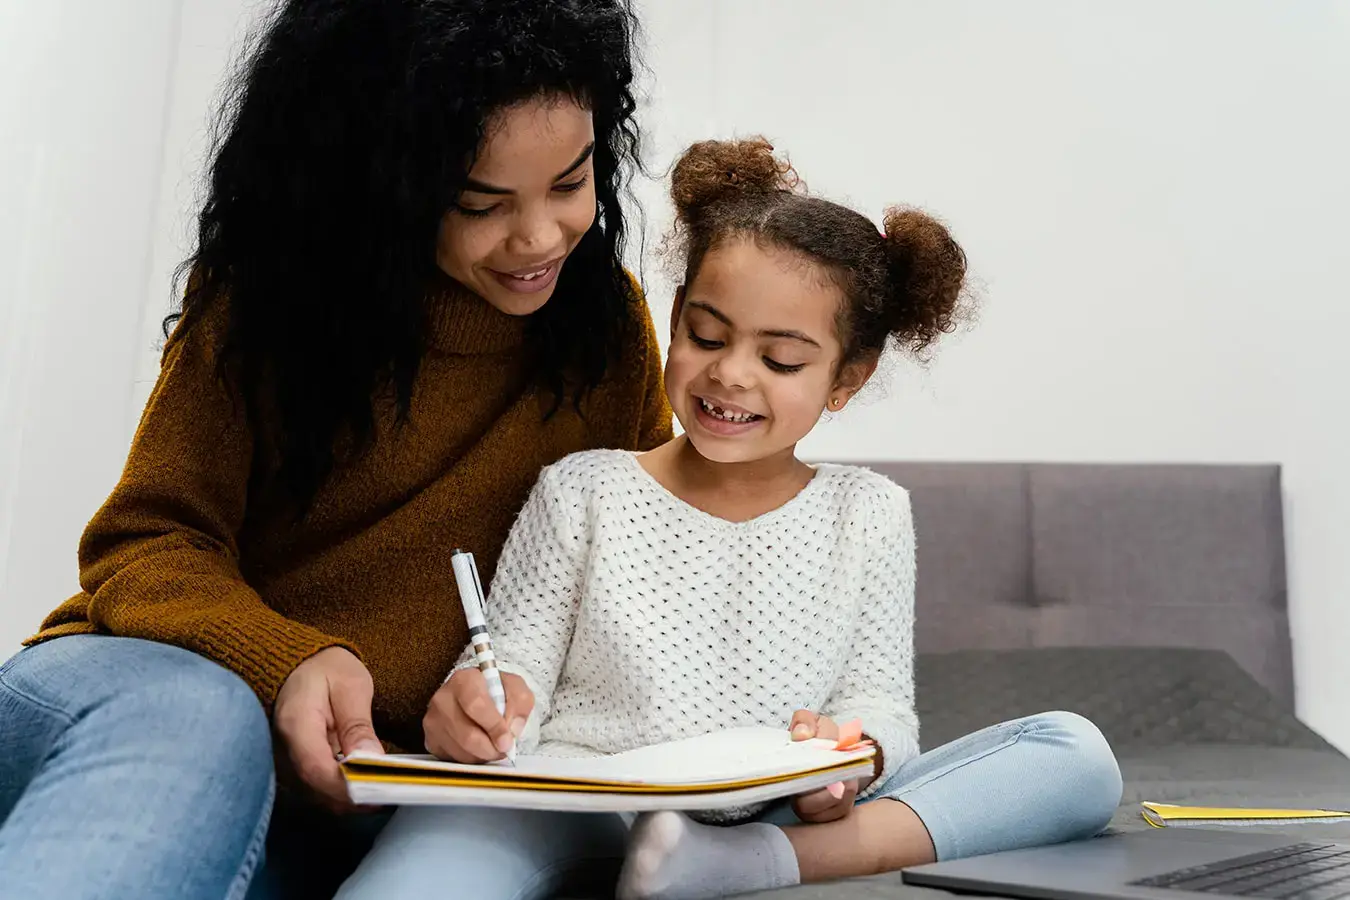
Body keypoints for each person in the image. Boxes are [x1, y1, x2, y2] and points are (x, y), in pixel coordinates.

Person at [335, 137, 1124, 900]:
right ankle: (721, 858)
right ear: (676, 316)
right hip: (581, 803)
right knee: (427, 856)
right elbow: (515, 663)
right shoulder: (585, 490)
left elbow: (880, 704)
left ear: (847, 377)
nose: (731, 373)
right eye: (707, 334)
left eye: (781, 360)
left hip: (774, 806)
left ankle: (748, 860)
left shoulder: (870, 514)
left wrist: (853, 758)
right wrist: (483, 702)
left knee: (1072, 756)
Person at [0, 1, 671, 897]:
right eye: (482, 203)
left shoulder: (606, 331)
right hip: (153, 687)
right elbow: (144, 541)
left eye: (571, 182)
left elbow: (652, 576)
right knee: (207, 716)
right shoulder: (266, 307)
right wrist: (287, 662)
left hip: (379, 801)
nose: (541, 237)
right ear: (386, 183)